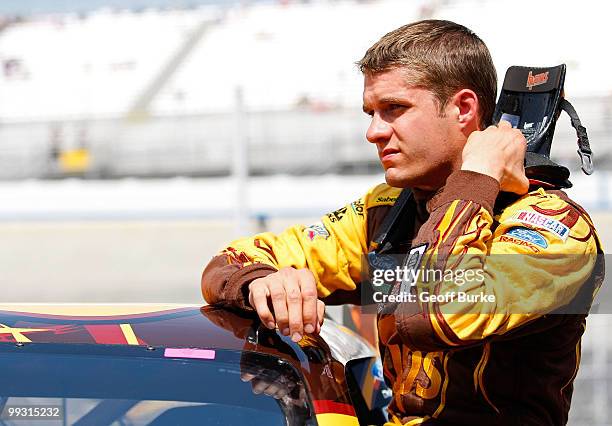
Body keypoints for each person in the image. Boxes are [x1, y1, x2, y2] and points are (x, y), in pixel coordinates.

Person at [201, 19, 603, 425]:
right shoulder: (386, 209)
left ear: (463, 109)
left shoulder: (558, 228)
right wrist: (261, 281)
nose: (373, 132)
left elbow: (434, 314)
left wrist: (476, 179)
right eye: (371, 113)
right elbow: (227, 263)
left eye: (394, 109)